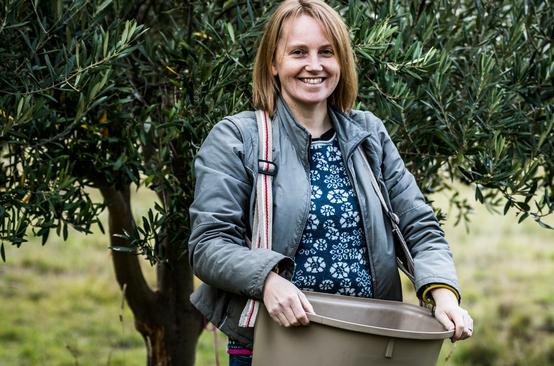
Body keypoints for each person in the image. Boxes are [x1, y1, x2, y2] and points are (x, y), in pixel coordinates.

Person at [188, 1, 473, 365]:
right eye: (298, 52)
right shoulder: (239, 138)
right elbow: (208, 244)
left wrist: (443, 293)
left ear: (341, 63)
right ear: (273, 64)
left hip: (369, 345)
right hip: (275, 346)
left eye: (327, 52)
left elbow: (420, 227)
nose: (314, 65)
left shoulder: (369, 135)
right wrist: (267, 281)